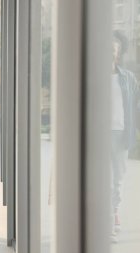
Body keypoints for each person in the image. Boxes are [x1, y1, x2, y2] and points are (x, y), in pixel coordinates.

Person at [111, 30, 139, 242]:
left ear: (118, 53)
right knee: (104, 179)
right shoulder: (94, 77)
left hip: (121, 134)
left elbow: (136, 107)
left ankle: (114, 211)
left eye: (114, 49)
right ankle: (109, 217)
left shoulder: (129, 78)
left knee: (118, 178)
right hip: (99, 135)